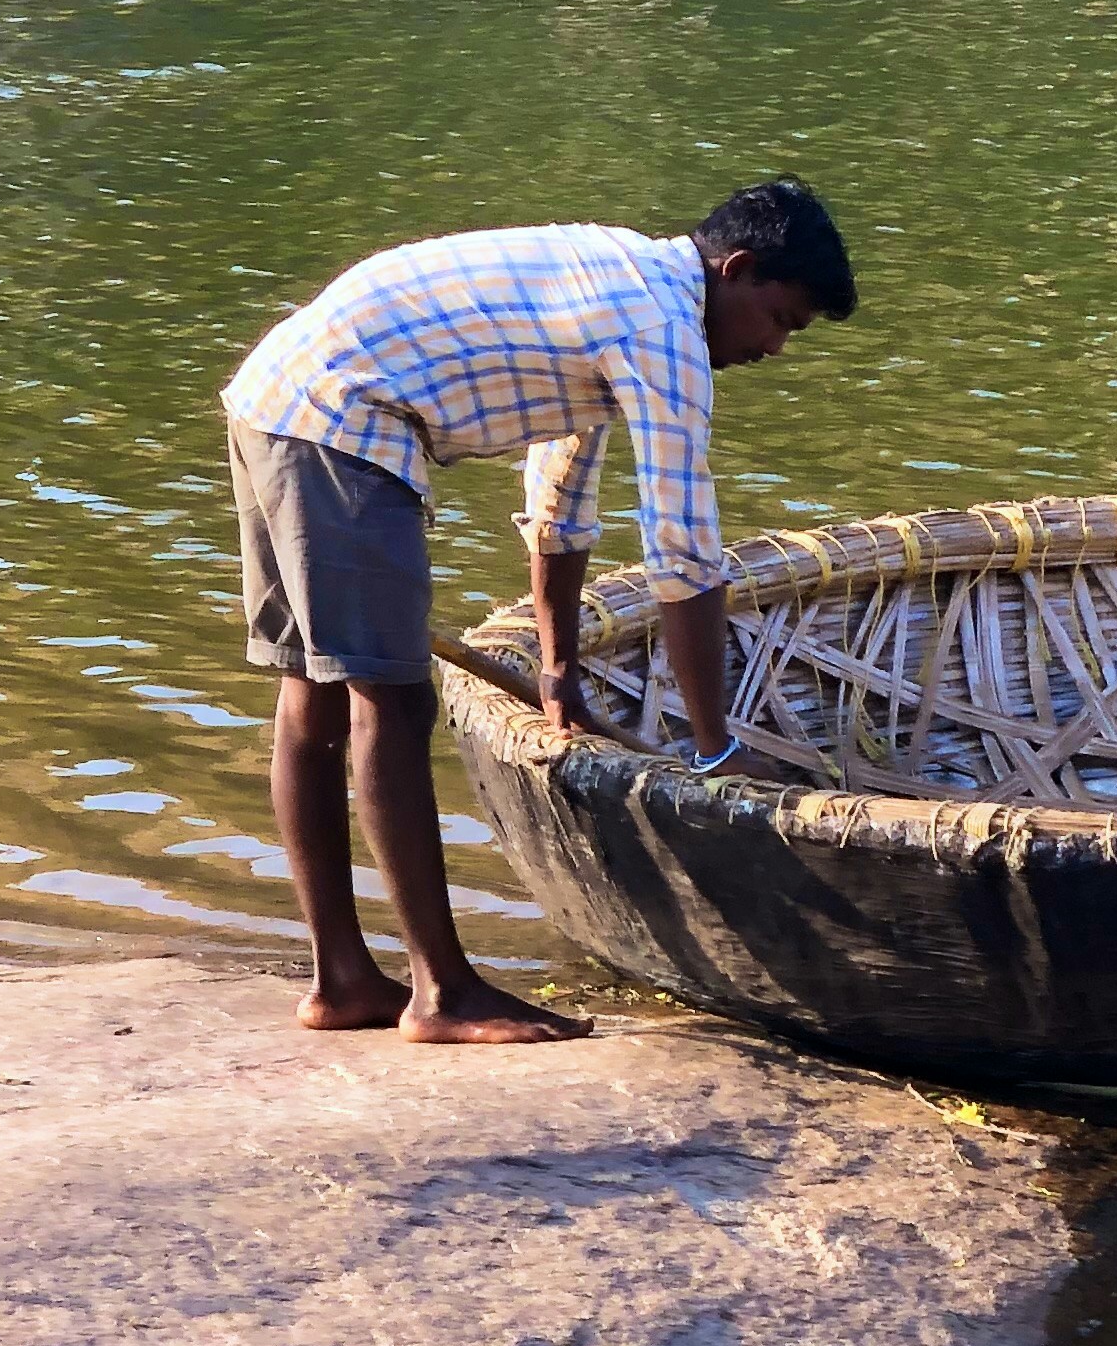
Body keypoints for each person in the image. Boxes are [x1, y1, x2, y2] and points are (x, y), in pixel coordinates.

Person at [217, 178, 858, 1041]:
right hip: (340, 416)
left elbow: (560, 503)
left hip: (279, 397)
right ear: (736, 270)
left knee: (316, 692)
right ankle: (440, 994)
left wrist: (559, 676)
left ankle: (345, 984)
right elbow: (682, 552)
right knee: (389, 701)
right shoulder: (661, 328)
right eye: (783, 320)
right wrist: (716, 753)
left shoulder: (618, 283)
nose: (777, 348)